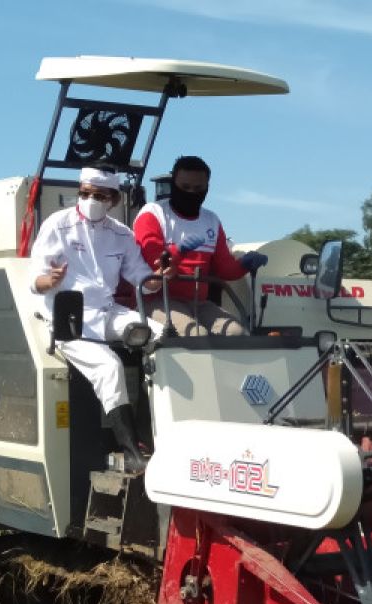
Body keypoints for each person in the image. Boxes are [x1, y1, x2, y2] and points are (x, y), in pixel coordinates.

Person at [30, 165, 154, 471]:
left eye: (98, 195)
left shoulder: (122, 234)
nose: (89, 199)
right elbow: (35, 280)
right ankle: (131, 451)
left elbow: (143, 279)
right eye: (84, 193)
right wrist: (51, 280)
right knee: (109, 366)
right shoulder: (57, 225)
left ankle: (154, 432)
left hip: (106, 311)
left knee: (160, 336)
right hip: (67, 316)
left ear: (113, 199)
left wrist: (160, 277)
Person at [132, 156, 267, 336]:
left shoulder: (211, 220)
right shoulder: (153, 214)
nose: (191, 193)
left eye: (198, 189)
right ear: (173, 184)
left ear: (207, 188)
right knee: (195, 335)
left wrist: (245, 264)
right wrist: (178, 251)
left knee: (237, 333)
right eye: (185, 187)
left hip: (198, 303)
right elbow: (155, 268)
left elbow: (224, 269)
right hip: (158, 300)